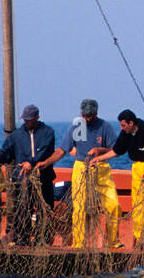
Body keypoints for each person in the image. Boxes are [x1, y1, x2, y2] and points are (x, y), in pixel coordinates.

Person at [52, 99, 121, 249]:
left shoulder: (105, 127)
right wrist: (46, 163)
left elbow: (116, 148)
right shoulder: (75, 127)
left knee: (113, 205)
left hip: (100, 167)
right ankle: (79, 243)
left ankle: (113, 242)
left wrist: (99, 150)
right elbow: (63, 150)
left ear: (96, 113)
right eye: (84, 115)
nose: (87, 118)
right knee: (79, 207)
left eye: (90, 115)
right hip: (81, 168)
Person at [0, 104, 56, 245]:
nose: (26, 122)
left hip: (43, 179)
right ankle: (21, 240)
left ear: (37, 117)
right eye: (25, 119)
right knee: (22, 209)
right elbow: (6, 151)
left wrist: (31, 162)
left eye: (29, 119)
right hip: (22, 180)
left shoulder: (48, 132)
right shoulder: (16, 135)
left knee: (44, 210)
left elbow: (44, 150)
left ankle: (41, 240)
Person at [95, 109, 144, 248]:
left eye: (123, 125)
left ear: (131, 123)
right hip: (137, 167)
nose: (121, 128)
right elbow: (116, 151)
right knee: (137, 204)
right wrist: (98, 159)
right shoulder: (125, 134)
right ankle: (140, 238)